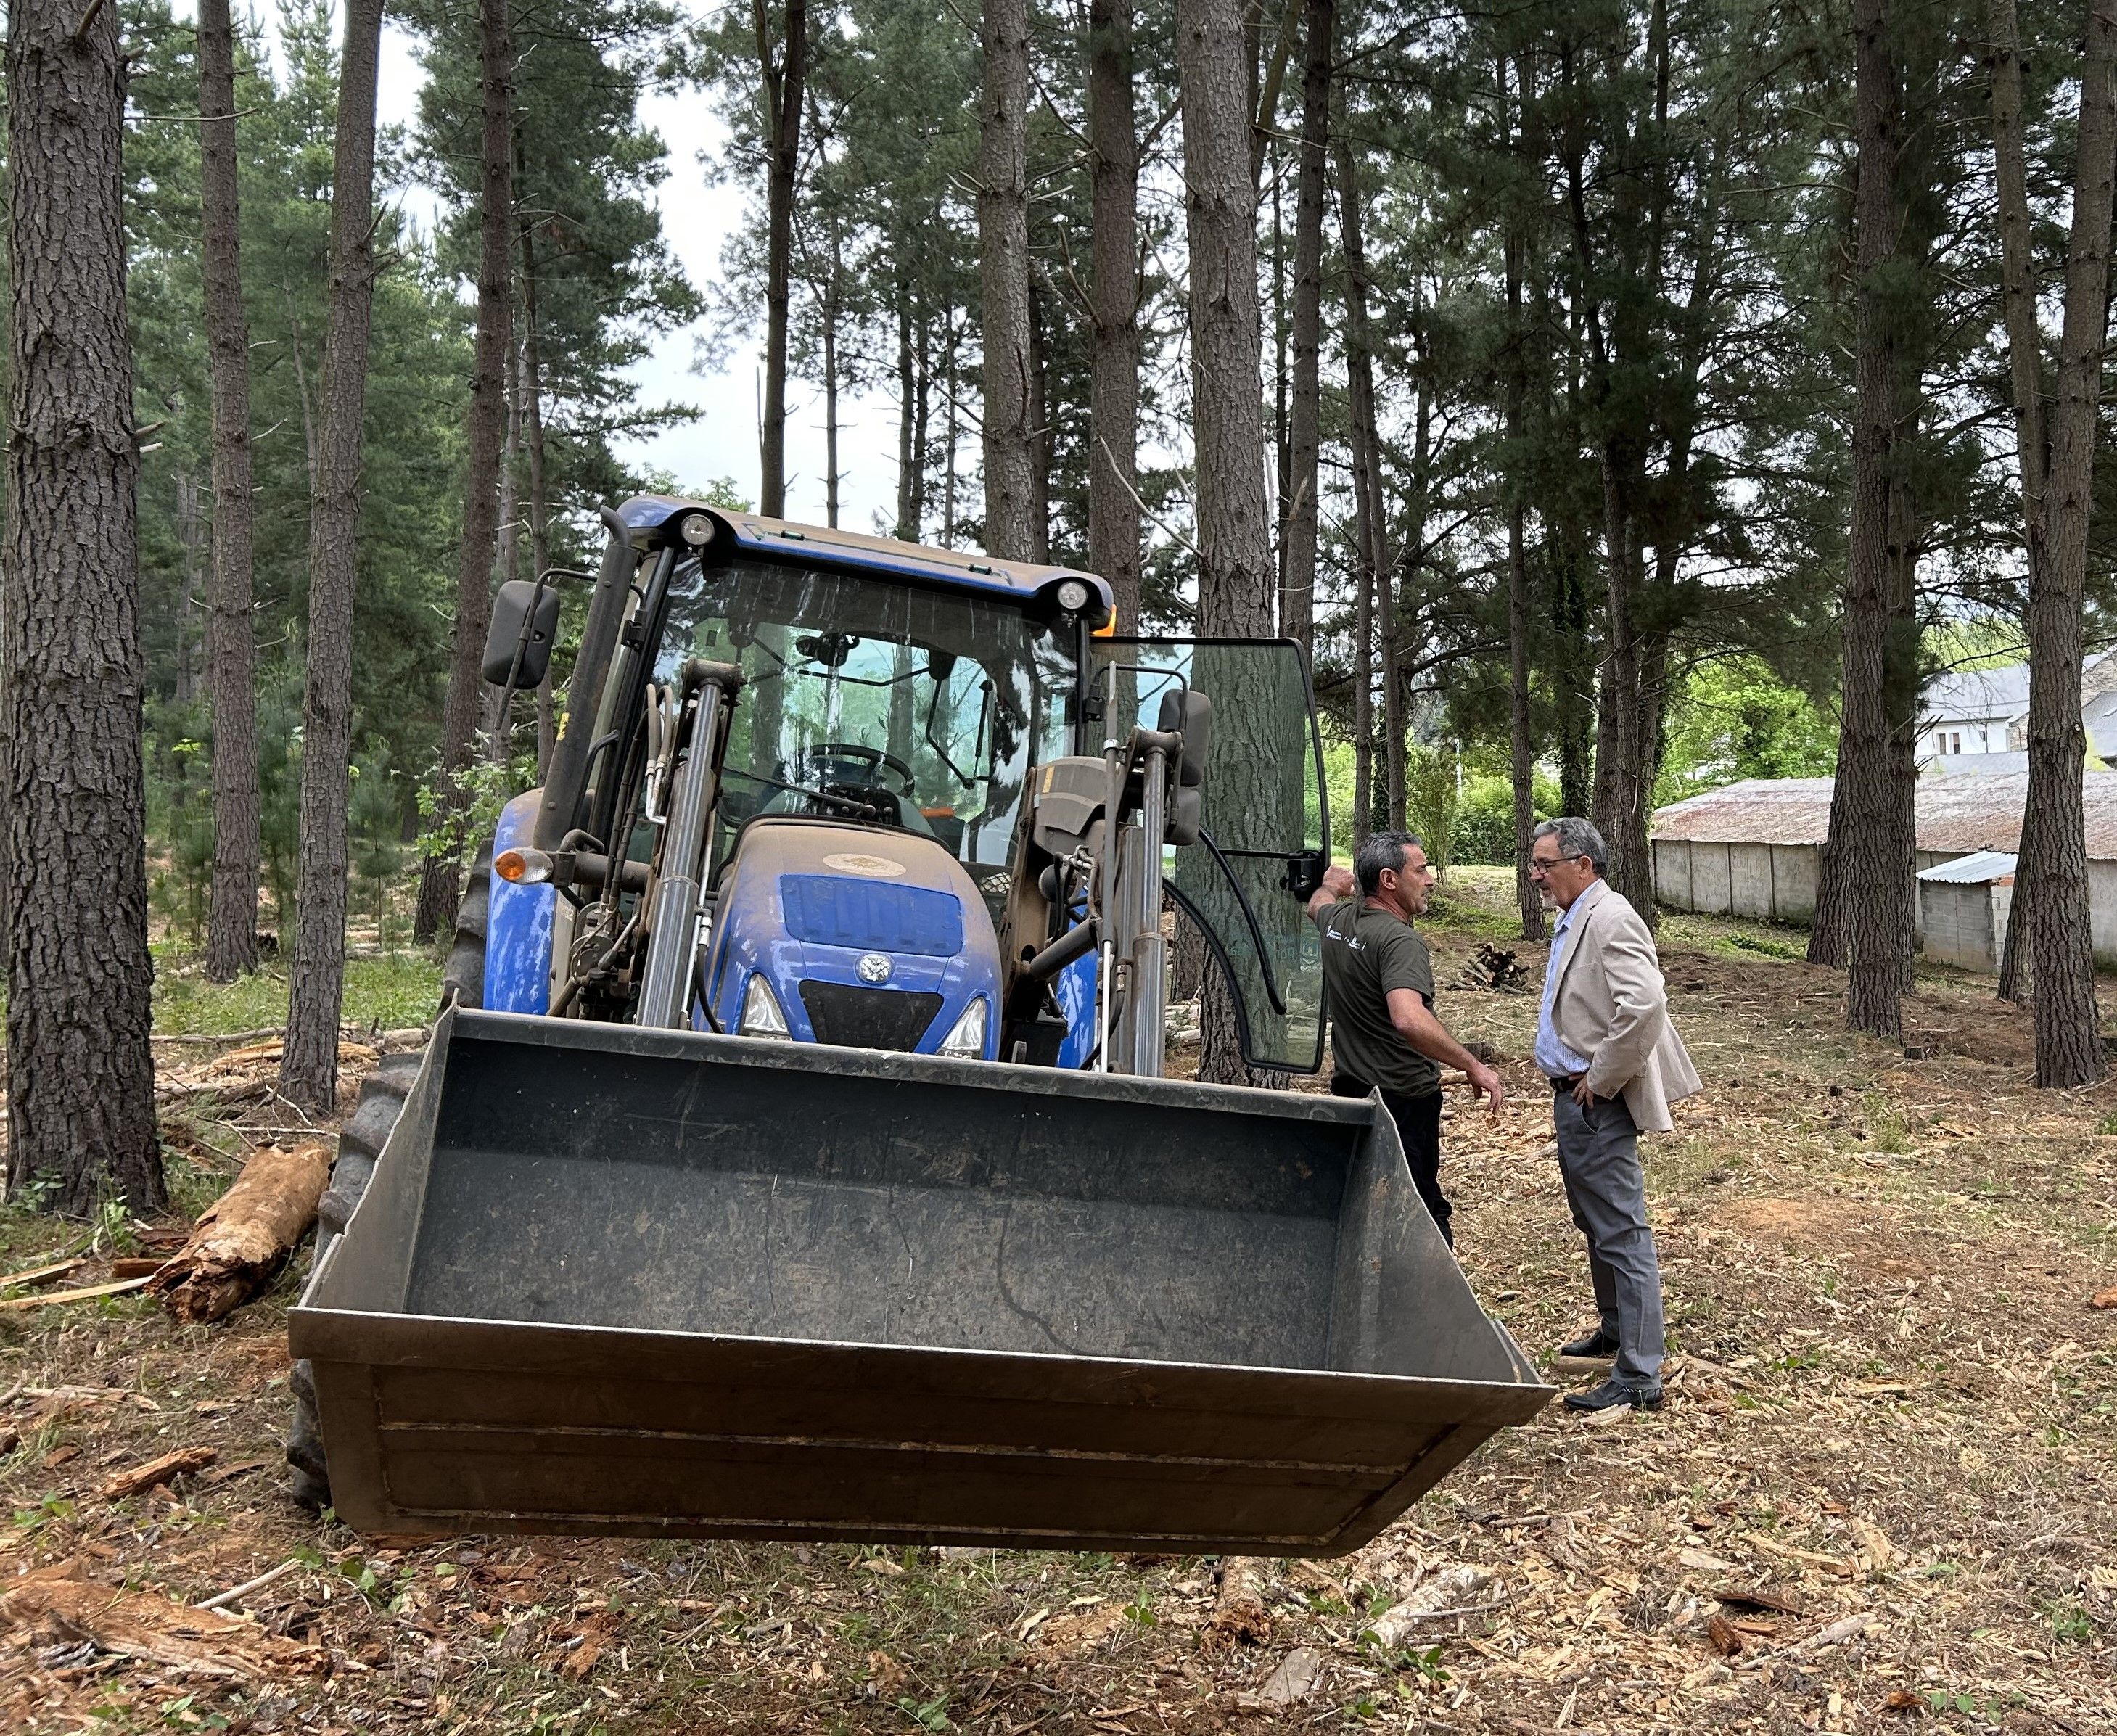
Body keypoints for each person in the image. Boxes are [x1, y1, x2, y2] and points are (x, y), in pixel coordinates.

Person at [1529, 816, 1701, 1413]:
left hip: (1593, 1098)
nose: (1536, 875)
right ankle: (1617, 1331)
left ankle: (1639, 1372)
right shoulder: (1576, 915)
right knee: (1594, 1216)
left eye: (1545, 864)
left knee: (1622, 1231)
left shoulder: (1612, 916)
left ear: (1583, 864)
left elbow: (1646, 1004)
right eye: (1535, 863)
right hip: (1574, 1095)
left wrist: (1601, 1079)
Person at [1305, 831, 1504, 1248]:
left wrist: (1330, 885)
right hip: (1403, 1102)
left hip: (1352, 1092)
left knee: (1364, 1199)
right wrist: (1473, 1065)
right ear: (1389, 880)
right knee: (1421, 1209)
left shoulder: (1339, 922)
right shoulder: (1400, 941)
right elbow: (1409, 1019)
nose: (1430, 879)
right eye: (1421, 869)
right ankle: (1437, 1303)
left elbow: (1317, 905)